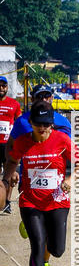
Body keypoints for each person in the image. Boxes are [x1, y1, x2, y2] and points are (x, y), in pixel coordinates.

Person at [2, 102, 79, 266]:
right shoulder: (22, 142)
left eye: (47, 124)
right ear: (31, 123)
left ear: (52, 124)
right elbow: (12, 160)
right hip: (30, 201)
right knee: (37, 244)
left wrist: (70, 181)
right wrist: (10, 175)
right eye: (38, 124)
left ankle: (40, 230)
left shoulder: (62, 140)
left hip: (57, 200)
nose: (43, 128)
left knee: (57, 249)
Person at [7, 82, 71, 266]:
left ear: (52, 99)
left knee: (53, 234)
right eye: (39, 97)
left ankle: (46, 260)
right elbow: (12, 147)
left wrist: (69, 177)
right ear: (33, 99)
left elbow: (67, 150)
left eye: (47, 96)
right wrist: (13, 170)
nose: (43, 100)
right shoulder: (22, 121)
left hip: (55, 183)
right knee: (38, 233)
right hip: (29, 178)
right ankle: (41, 262)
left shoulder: (62, 122)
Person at [0, 75, 22, 214]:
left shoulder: (14, 104)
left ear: (7, 87)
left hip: (8, 144)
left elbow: (19, 123)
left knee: (10, 175)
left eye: (4, 85)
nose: (1, 88)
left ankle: (7, 202)